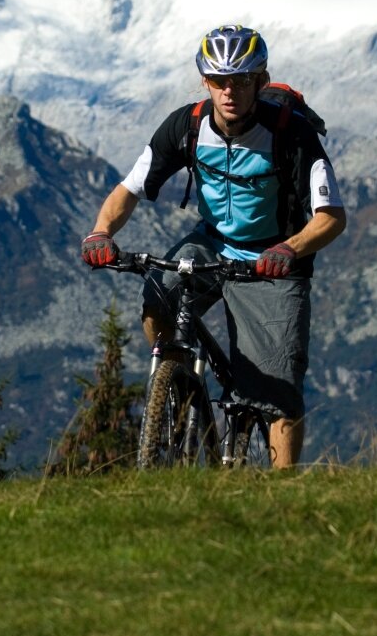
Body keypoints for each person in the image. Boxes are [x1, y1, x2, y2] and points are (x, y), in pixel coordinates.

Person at [80, 24, 347, 469]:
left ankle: (282, 497)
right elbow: (129, 188)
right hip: (211, 242)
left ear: (260, 80)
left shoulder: (291, 134)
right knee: (157, 301)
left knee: (277, 388)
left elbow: (331, 217)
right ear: (205, 80)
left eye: (241, 80)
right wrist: (101, 233)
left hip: (274, 258)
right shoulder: (186, 125)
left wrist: (290, 249)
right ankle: (177, 382)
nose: (230, 91)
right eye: (219, 80)